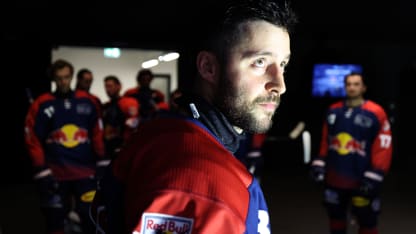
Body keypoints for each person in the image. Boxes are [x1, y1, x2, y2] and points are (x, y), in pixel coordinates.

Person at [91, 0, 297, 233]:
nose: (280, 85)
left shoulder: (157, 134)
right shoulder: (204, 185)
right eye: (259, 62)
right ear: (208, 67)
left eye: (282, 65)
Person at [24, 59, 106, 234]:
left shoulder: (88, 101)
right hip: (55, 174)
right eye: (59, 78)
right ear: (54, 78)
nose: (63, 81)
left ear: (72, 77)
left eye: (67, 77)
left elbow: (97, 132)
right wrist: (40, 168)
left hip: (85, 172)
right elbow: (32, 137)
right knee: (54, 219)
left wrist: (101, 161)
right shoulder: (42, 103)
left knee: (91, 216)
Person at [310, 72, 393, 234]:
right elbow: (326, 141)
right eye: (348, 84)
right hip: (335, 179)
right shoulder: (333, 111)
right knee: (336, 221)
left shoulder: (376, 112)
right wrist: (319, 164)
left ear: (363, 88)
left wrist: (375, 175)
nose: (352, 87)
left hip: (363, 180)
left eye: (356, 84)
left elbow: (383, 145)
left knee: (367, 222)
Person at [102, 75, 140, 160]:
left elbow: (135, 123)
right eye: (106, 86)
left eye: (110, 86)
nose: (108, 89)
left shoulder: (128, 103)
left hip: (124, 146)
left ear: (119, 86)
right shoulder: (106, 106)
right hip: (108, 148)